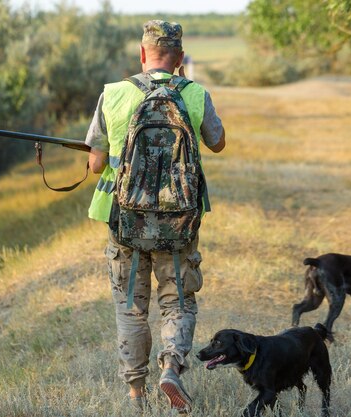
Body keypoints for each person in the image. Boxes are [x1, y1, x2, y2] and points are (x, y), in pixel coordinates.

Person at [84, 20, 226, 413]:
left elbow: (96, 166)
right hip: (179, 225)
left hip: (125, 224)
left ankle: (135, 395)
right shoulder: (195, 94)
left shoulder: (113, 94)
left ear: (141, 54)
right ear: (180, 59)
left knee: (131, 307)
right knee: (177, 302)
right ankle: (172, 367)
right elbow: (217, 142)